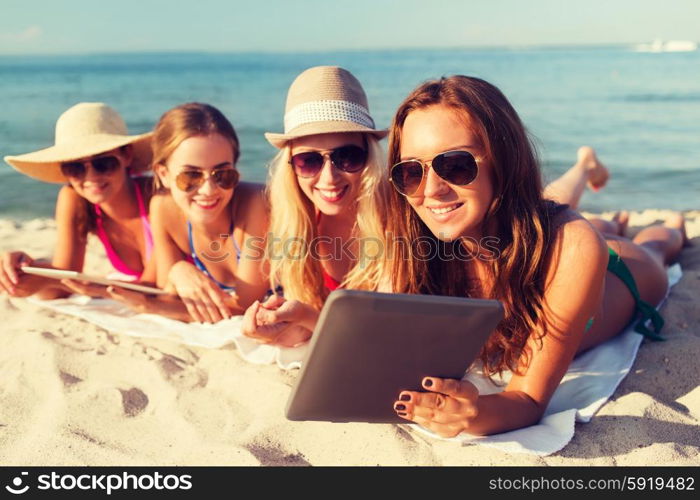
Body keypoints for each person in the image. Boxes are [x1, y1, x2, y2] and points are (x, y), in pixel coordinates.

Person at [384, 76, 687, 436]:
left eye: (455, 165)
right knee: (554, 210)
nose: (431, 189)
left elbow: (527, 400)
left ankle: (674, 226)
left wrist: (472, 415)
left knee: (652, 247)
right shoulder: (413, 244)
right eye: (410, 171)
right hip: (537, 233)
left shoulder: (573, 245)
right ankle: (586, 168)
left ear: (503, 157)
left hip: (620, 273)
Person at [241, 66, 390, 346]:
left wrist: (305, 316)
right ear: (291, 166)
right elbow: (311, 329)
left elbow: (377, 339)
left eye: (347, 157)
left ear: (369, 156)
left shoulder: (396, 221)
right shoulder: (297, 224)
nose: (329, 177)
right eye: (309, 160)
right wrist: (272, 329)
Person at [0, 102, 155, 299]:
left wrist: (95, 288)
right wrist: (26, 271)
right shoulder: (75, 198)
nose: (91, 177)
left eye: (103, 163)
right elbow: (60, 286)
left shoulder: (157, 198)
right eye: (75, 167)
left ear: (126, 155)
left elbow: (158, 290)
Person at [138, 102, 270, 323]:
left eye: (223, 174)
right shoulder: (163, 207)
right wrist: (178, 271)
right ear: (163, 174)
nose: (209, 189)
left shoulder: (256, 204)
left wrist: (149, 305)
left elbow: (247, 310)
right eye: (191, 175)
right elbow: (167, 290)